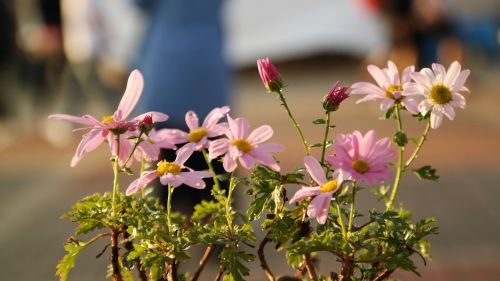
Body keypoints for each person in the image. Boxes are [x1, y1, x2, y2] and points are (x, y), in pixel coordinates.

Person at [134, 0, 231, 213]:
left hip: (166, 56)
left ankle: (172, 232)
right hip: (207, 56)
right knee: (215, 161)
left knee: (167, 166)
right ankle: (220, 233)